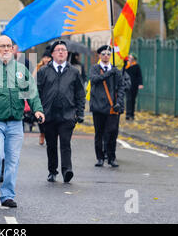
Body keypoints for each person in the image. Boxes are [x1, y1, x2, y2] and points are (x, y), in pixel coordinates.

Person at [0, 35, 44, 208]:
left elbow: (31, 92)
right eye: (2, 46)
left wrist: (37, 109)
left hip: (15, 122)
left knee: (13, 159)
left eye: (8, 46)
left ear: (12, 49)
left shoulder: (20, 70)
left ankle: (7, 196)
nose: (5, 49)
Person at [37, 40, 85, 183]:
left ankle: (67, 170)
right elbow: (37, 92)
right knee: (51, 144)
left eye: (63, 50)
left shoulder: (74, 72)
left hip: (67, 114)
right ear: (52, 54)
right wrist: (37, 111)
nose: (61, 52)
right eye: (58, 50)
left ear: (67, 53)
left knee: (65, 143)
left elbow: (80, 94)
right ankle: (52, 171)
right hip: (49, 114)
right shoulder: (43, 71)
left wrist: (80, 112)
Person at [89, 45, 126, 168]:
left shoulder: (116, 71)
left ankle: (111, 157)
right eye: (103, 54)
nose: (106, 56)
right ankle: (100, 158)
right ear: (99, 55)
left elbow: (121, 87)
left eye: (108, 54)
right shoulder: (95, 68)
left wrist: (119, 102)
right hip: (98, 107)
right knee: (99, 133)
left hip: (112, 107)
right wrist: (110, 73)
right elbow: (95, 80)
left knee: (112, 133)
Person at [32, 47, 52, 145]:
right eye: (45, 57)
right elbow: (33, 79)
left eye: (48, 57)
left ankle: (49, 135)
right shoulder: (38, 67)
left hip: (50, 94)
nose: (46, 59)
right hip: (40, 94)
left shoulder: (53, 68)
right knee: (40, 113)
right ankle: (42, 133)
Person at [125, 53, 143, 120]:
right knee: (128, 99)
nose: (130, 59)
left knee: (133, 100)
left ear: (134, 59)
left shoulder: (137, 66)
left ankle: (132, 114)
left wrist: (140, 84)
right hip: (127, 85)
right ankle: (128, 114)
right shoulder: (126, 66)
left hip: (134, 85)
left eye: (131, 58)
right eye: (129, 58)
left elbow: (139, 76)